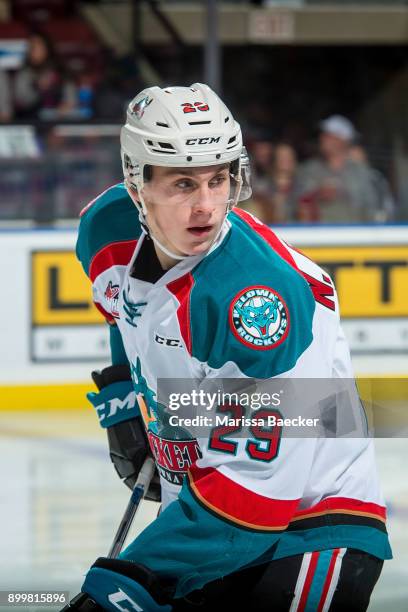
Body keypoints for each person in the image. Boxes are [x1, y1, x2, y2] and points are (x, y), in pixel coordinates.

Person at [63, 84, 391, 611]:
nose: (207, 207)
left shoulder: (256, 302)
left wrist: (128, 582)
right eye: (183, 183)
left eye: (219, 180)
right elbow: (122, 309)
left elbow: (259, 495)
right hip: (209, 511)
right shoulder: (106, 230)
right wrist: (124, 397)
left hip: (310, 524)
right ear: (136, 183)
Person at [293, 115, 386, 223]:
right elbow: (294, 205)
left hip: (355, 235)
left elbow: (372, 207)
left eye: (328, 135)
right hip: (317, 236)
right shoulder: (308, 170)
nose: (322, 138)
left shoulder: (360, 172)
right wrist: (317, 195)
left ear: (342, 140)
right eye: (323, 135)